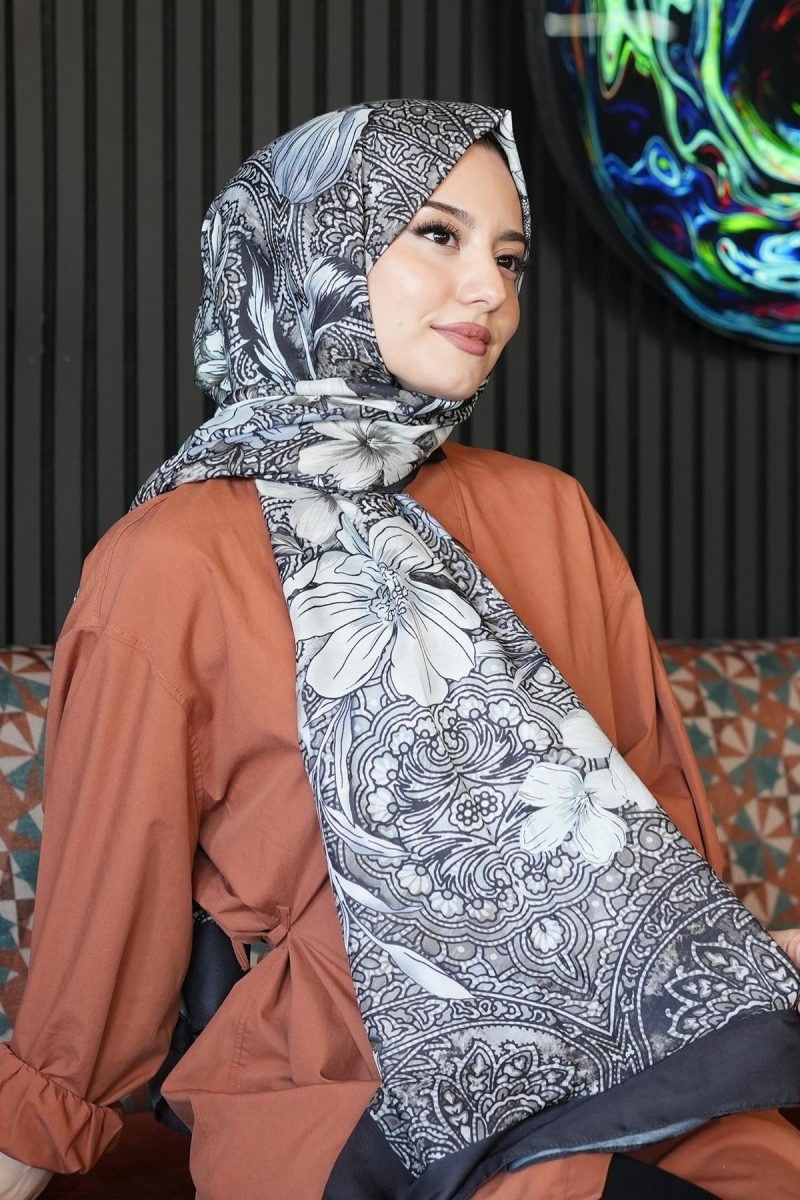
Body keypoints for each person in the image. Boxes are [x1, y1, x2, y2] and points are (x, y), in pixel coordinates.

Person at [1, 99, 800, 1200]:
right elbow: (111, 902)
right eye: (437, 235)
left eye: (508, 258)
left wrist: (733, 971)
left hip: (635, 1054)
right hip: (348, 1091)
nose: (492, 291)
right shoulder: (173, 558)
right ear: (308, 250)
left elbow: (651, 826)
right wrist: (33, 1136)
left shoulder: (549, 513)